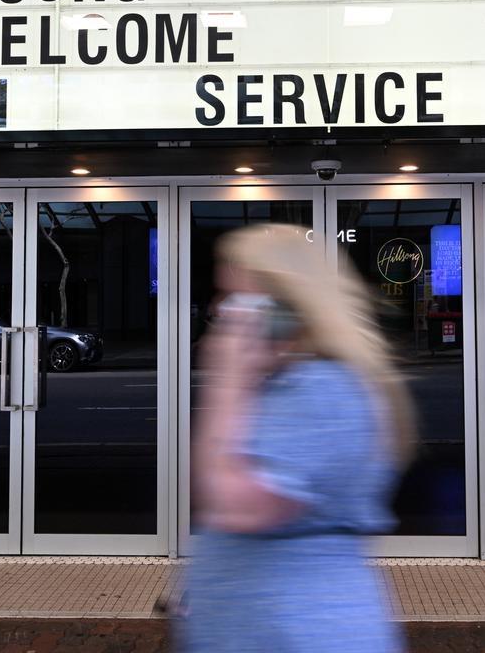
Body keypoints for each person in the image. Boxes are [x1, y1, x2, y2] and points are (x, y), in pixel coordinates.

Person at [179, 224, 414, 653]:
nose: (221, 311)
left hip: (305, 632)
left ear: (285, 306)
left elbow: (239, 506)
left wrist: (228, 379)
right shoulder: (283, 383)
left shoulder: (324, 388)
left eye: (235, 299)